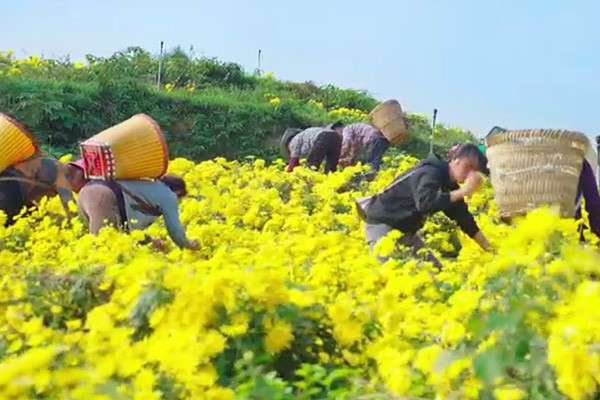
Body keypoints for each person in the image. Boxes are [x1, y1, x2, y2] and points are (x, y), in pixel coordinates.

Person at [357, 143, 492, 267]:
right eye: (468, 166)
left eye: (474, 170)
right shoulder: (431, 172)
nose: (470, 174)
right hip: (382, 226)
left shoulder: (449, 184)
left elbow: (464, 219)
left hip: (405, 232)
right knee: (388, 275)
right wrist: (464, 191)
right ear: (456, 160)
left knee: (437, 275)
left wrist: (492, 250)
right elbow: (426, 203)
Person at [76, 174, 199, 250]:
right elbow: (174, 229)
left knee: (100, 243)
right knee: (102, 248)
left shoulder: (149, 186)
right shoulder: (169, 195)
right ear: (178, 192)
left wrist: (150, 241)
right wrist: (187, 245)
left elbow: (127, 229)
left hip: (85, 192)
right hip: (103, 197)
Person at [0, 155, 88, 226]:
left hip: (12, 189)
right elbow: (70, 206)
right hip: (10, 188)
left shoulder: (46, 165)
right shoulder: (58, 170)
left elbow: (32, 206)